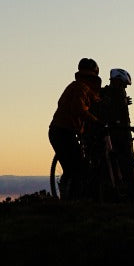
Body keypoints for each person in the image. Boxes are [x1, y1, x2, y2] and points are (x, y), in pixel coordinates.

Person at [48, 57, 103, 199]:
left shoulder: (79, 87)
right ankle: (69, 197)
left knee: (74, 165)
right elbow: (79, 109)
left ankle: (72, 197)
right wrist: (95, 121)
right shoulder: (80, 88)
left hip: (62, 130)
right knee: (74, 166)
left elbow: (94, 99)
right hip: (63, 131)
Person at [97, 68, 134, 199]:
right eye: (124, 84)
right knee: (125, 163)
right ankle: (130, 194)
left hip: (117, 131)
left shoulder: (108, 93)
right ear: (118, 81)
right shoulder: (111, 93)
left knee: (119, 163)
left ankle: (124, 193)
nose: (125, 87)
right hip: (119, 133)